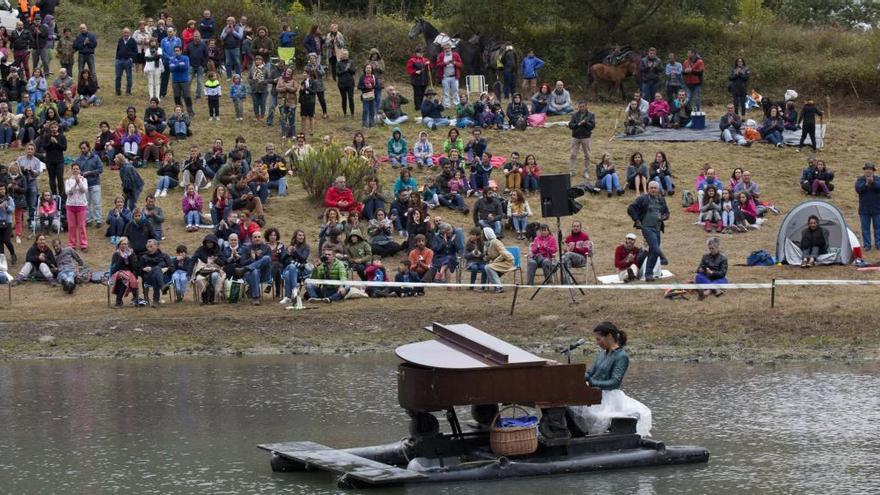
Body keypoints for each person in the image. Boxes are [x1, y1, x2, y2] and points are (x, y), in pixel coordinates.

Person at [566, 322, 652, 437]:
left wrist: (591, 383)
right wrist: (575, 376)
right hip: (593, 393)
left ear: (610, 337)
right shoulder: (601, 354)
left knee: (593, 415)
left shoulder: (621, 356)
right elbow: (591, 373)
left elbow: (614, 382)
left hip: (609, 397)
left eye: (599, 339)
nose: (597, 343)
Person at [627, 181, 669, 282]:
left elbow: (667, 212)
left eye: (655, 188)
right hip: (647, 228)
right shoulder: (643, 198)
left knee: (653, 252)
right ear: (648, 189)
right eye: (651, 188)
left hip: (657, 228)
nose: (653, 190)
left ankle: (648, 274)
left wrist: (665, 216)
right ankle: (657, 266)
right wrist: (637, 220)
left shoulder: (661, 199)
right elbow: (631, 208)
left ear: (658, 189)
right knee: (655, 248)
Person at [108, 237, 141, 307]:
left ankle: (119, 301)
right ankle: (135, 299)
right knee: (123, 276)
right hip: (117, 273)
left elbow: (134, 267)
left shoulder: (132, 254)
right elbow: (114, 268)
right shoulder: (116, 254)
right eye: (122, 244)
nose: (124, 246)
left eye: (125, 244)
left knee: (126, 278)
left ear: (128, 245)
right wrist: (121, 258)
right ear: (119, 245)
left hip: (129, 273)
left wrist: (130, 257)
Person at [855, 162, 880, 251]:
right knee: (865, 229)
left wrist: (872, 182)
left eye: (870, 169)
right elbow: (858, 189)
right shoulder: (860, 179)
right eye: (867, 169)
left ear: (873, 171)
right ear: (864, 170)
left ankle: (878, 244)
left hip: (877, 209)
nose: (868, 171)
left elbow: (878, 187)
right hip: (864, 210)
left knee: (878, 228)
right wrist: (866, 184)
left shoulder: (878, 179)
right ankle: (867, 245)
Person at [64, 163, 89, 250]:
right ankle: (72, 244)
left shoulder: (84, 180)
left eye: (77, 169)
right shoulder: (68, 181)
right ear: (71, 170)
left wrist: (79, 182)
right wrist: (75, 184)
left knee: (82, 226)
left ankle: (83, 244)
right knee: (71, 226)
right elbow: (68, 192)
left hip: (81, 205)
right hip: (70, 205)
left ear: (79, 170)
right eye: (74, 169)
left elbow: (84, 190)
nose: (75, 170)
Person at [435, 43, 462, 108]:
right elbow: (437, 65)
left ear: (451, 48)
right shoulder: (441, 55)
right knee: (446, 92)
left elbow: (461, 65)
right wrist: (445, 63)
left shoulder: (456, 55)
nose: (447, 50)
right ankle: (447, 105)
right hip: (445, 76)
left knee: (455, 91)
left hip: (454, 76)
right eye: (446, 48)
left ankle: (457, 105)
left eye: (448, 48)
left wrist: (455, 63)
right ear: (444, 49)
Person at [114, 27, 137, 97]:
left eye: (127, 32)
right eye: (124, 32)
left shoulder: (133, 41)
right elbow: (117, 50)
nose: (126, 34)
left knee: (129, 77)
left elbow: (135, 52)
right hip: (119, 61)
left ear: (130, 33)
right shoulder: (120, 40)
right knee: (118, 76)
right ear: (122, 33)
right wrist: (117, 59)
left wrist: (131, 59)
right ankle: (118, 92)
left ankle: (128, 92)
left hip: (128, 61)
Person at [357, 63, 379, 128]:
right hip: (365, 96)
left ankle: (372, 124)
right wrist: (366, 87)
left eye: (370, 68)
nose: (368, 69)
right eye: (367, 68)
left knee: (372, 110)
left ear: (372, 69)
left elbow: (378, 85)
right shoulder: (362, 77)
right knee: (365, 110)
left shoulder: (374, 77)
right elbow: (359, 86)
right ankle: (364, 124)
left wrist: (372, 86)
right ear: (365, 69)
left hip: (373, 95)